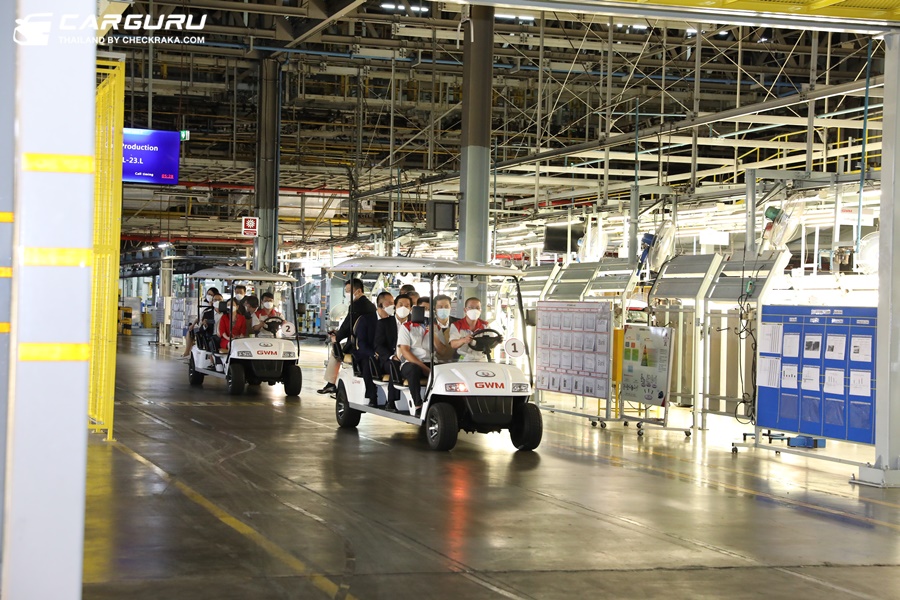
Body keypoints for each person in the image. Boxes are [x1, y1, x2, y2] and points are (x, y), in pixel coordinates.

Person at [317, 278, 376, 394]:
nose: (347, 294)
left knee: (335, 351)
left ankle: (331, 383)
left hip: (357, 344)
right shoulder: (371, 306)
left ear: (359, 291)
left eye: (349, 291)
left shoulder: (356, 306)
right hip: (370, 342)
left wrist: (336, 337)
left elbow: (347, 327)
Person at [355, 291, 393, 406]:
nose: (392, 306)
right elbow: (361, 343)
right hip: (369, 352)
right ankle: (372, 396)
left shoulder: (392, 321)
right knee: (368, 363)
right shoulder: (366, 320)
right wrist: (374, 353)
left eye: (393, 303)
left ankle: (391, 398)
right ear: (380, 305)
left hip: (386, 353)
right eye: (389, 303)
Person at [374, 294, 412, 406]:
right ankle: (391, 400)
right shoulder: (384, 323)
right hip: (390, 359)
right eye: (401, 305)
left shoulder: (415, 324)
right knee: (394, 365)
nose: (403, 308)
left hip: (410, 357)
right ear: (395, 306)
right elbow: (378, 345)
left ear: (411, 308)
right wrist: (392, 356)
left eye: (407, 305)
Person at [449, 297, 490, 362]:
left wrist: (497, 340)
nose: (474, 310)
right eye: (471, 308)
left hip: (481, 359)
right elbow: (453, 344)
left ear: (480, 310)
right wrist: (463, 340)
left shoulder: (485, 325)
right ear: (465, 310)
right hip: (464, 359)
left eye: (477, 308)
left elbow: (491, 342)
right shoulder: (457, 325)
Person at [182, 287, 219, 356]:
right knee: (189, 332)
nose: (209, 296)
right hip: (202, 325)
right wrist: (193, 324)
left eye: (211, 294)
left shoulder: (216, 307)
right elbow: (200, 316)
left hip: (211, 328)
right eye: (208, 294)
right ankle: (187, 351)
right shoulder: (204, 305)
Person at [431, 294, 458, 362]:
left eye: (446, 306)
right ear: (435, 308)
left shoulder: (458, 323)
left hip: (455, 360)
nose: (443, 309)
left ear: (450, 307)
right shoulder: (430, 324)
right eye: (440, 307)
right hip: (435, 361)